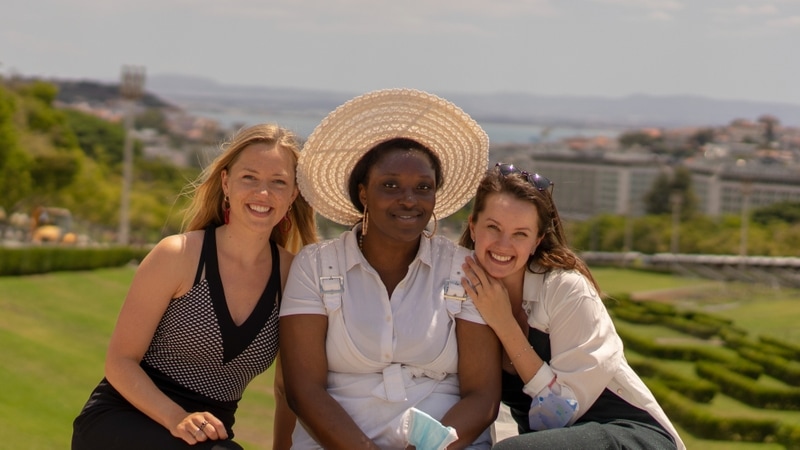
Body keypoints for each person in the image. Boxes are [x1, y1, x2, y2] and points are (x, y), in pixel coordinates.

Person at [279, 88, 502, 449]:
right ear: (364, 194)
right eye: (391, 185)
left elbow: (482, 397)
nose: (409, 199)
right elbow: (304, 390)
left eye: (423, 187)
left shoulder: (464, 268)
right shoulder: (315, 266)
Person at [71, 124, 317, 450]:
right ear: (226, 183)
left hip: (206, 439)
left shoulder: (293, 277)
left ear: (293, 195)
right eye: (249, 178)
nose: (263, 193)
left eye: (279, 182)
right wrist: (176, 418)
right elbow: (120, 362)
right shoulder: (179, 255)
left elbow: (288, 389)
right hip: (125, 419)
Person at [458, 162, 685, 449]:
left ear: (537, 241)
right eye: (493, 227)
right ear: (473, 227)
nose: (504, 245)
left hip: (624, 432)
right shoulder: (461, 289)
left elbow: (558, 412)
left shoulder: (565, 289)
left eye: (520, 234)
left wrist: (503, 324)